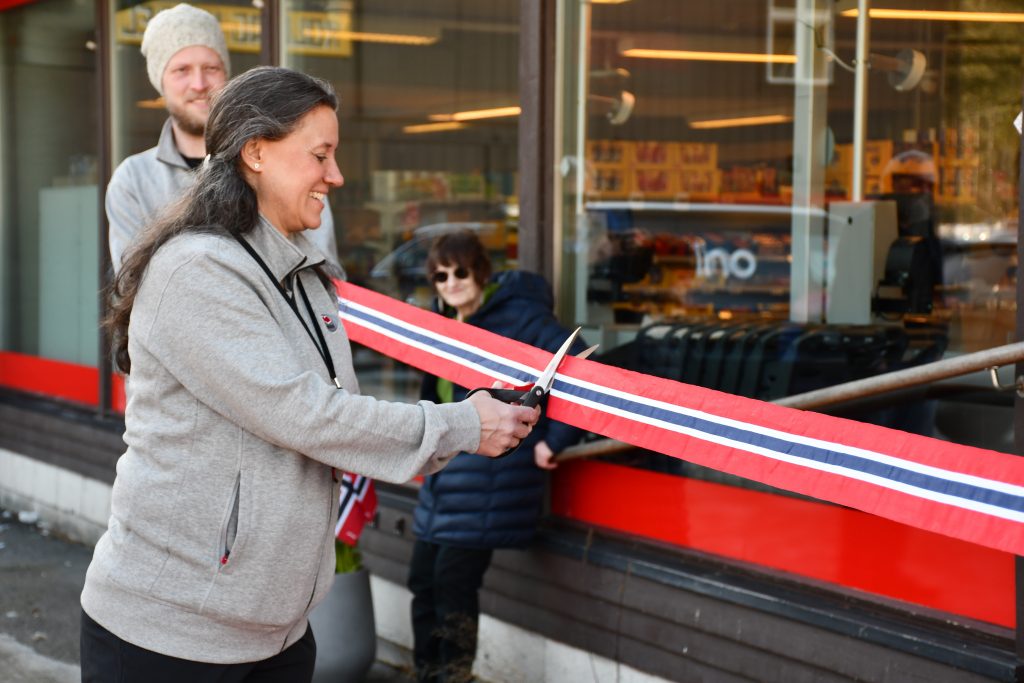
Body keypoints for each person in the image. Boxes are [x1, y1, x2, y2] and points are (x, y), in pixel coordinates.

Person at [79, 66, 539, 683]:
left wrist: (463, 424)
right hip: (170, 636)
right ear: (256, 152)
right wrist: (459, 423)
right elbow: (308, 416)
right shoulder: (197, 271)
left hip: (277, 632)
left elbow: (335, 416)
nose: (337, 176)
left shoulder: (305, 274)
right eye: (320, 155)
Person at [407, 229, 586, 683]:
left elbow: (580, 369)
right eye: (440, 275)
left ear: (481, 272)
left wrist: (555, 439)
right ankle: (429, 674)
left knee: (452, 585)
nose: (451, 283)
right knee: (422, 581)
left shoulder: (520, 316)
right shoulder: (444, 325)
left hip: (491, 474)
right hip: (446, 472)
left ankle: (452, 676)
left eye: (461, 271)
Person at [105, 3, 338, 272]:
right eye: (181, 70)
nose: (199, 84)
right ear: (160, 82)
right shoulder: (134, 180)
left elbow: (326, 273)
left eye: (211, 68)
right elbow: (134, 285)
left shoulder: (281, 163)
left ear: (227, 75)